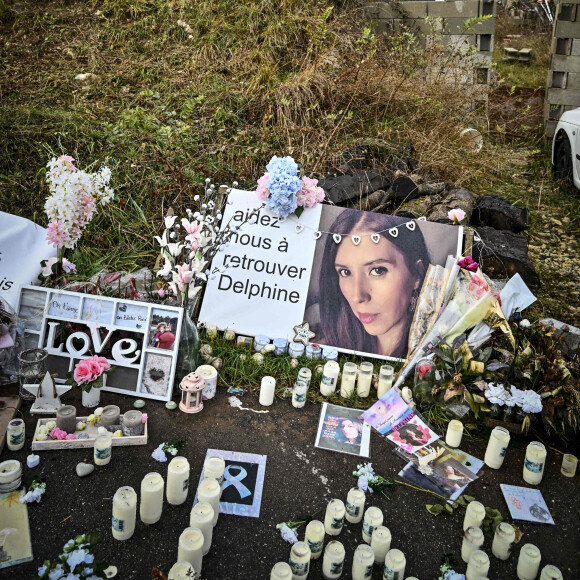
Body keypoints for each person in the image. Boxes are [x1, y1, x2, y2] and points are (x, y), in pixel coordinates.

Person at [318, 211, 429, 359]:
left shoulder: (434, 357)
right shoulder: (321, 348)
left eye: (377, 270)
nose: (358, 296)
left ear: (416, 274)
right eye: (345, 272)